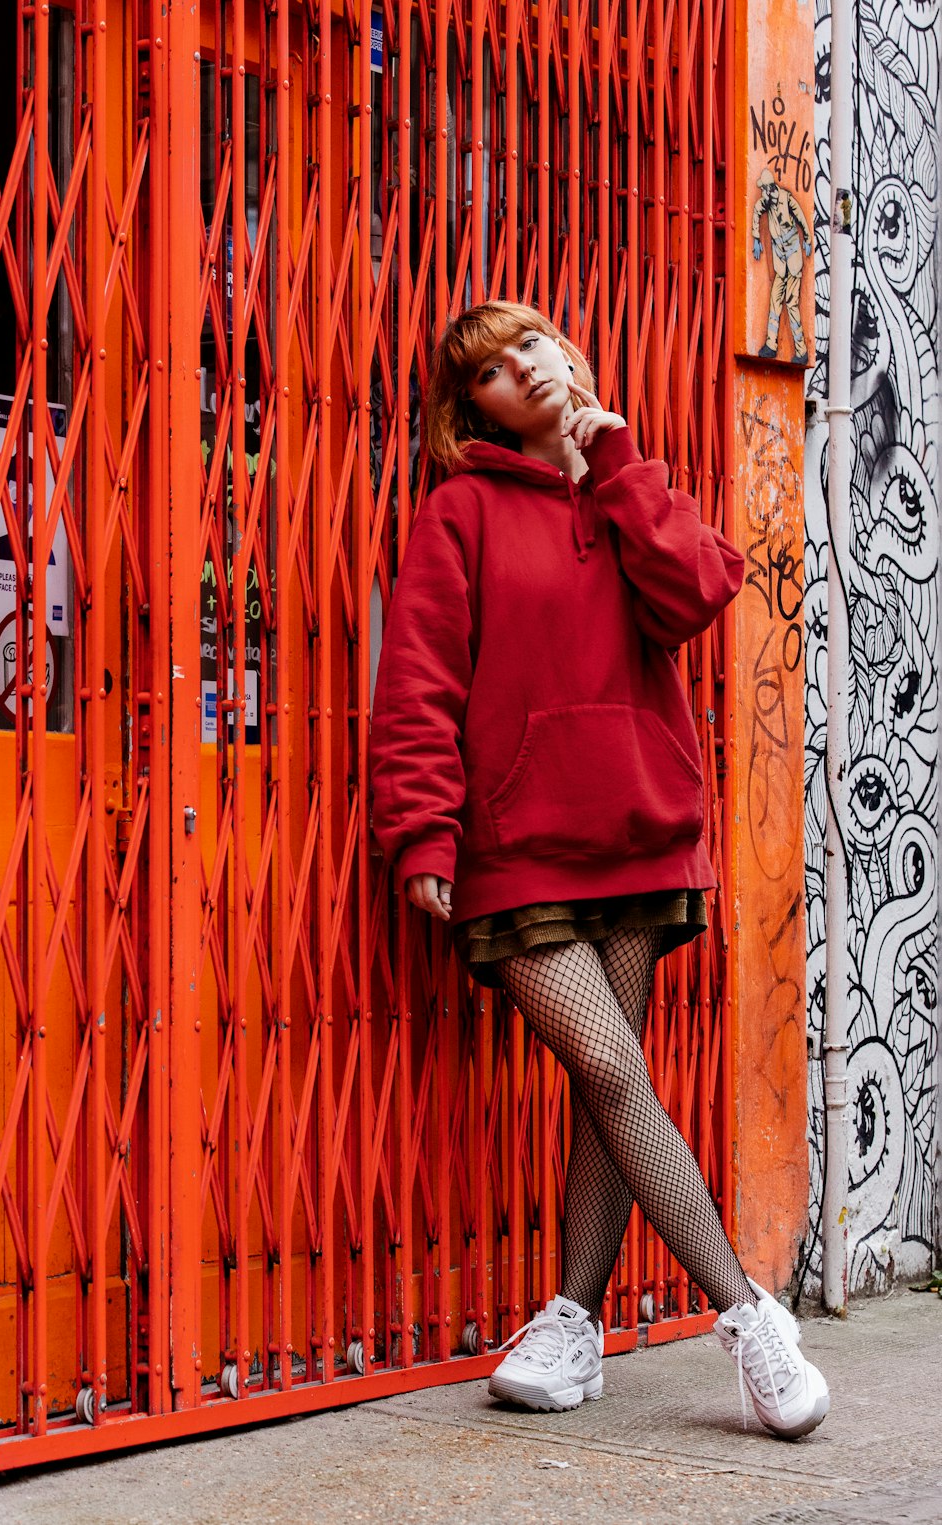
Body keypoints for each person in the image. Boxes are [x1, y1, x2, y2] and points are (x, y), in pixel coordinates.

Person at [369, 300, 829, 1439]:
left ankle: (573, 1323)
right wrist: (422, 830)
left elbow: (697, 591)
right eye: (488, 367)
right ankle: (749, 1315)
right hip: (517, 847)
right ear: (466, 408)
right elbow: (419, 679)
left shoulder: (631, 485)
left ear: (566, 357)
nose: (521, 367)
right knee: (613, 1073)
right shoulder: (459, 510)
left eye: (531, 343)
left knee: (604, 1088)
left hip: (637, 828)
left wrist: (616, 462)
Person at [752, 166, 813, 364]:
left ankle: (801, 351)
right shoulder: (767, 203)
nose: (762, 194)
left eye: (764, 190)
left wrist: (808, 239)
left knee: (792, 301)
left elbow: (802, 219)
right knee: (775, 299)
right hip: (780, 260)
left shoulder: (787, 199)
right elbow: (756, 211)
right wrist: (755, 238)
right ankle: (771, 345)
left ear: (770, 189)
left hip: (793, 257)